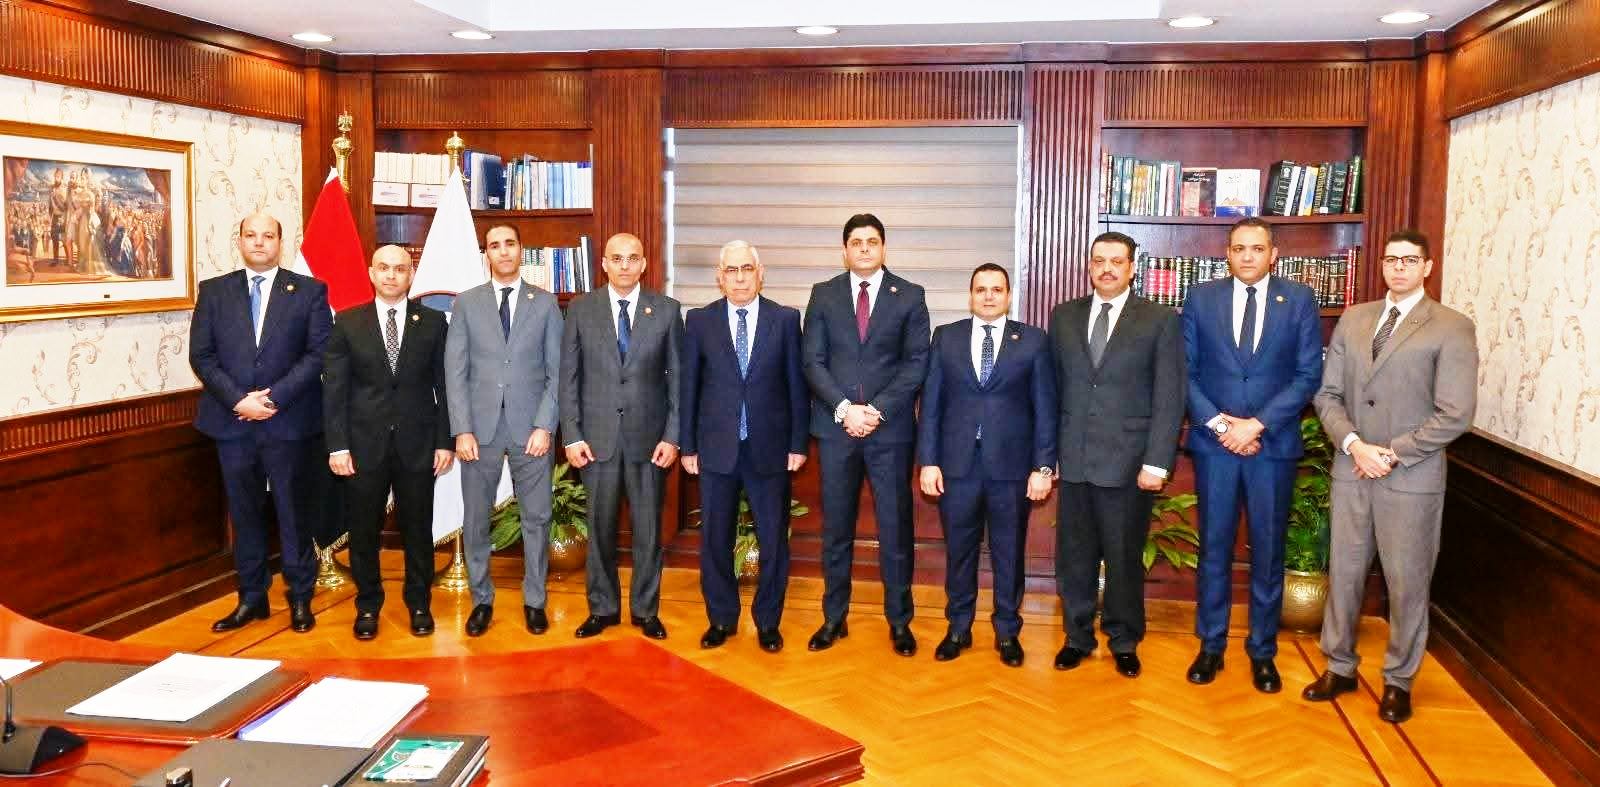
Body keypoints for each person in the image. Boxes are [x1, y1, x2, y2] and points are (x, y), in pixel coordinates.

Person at [1302, 229, 1478, 723]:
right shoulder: (1355, 319)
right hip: (1352, 467)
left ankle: (1399, 680)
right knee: (1344, 575)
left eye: (1409, 260)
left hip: (1412, 476)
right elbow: (1327, 396)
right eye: (1391, 259)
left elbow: (1455, 414)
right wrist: (1354, 445)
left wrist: (1393, 453)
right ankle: (1339, 667)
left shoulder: (1451, 327)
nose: (1399, 268)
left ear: (1427, 267)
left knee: (1407, 583)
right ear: (1381, 265)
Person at [1181, 216, 1323, 692]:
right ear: (1227, 253)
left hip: (1272, 447)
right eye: (1239, 248)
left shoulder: (1298, 299)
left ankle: (1263, 652)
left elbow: (1308, 375)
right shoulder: (1201, 298)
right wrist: (1224, 427)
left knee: (1268, 551)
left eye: (1257, 249)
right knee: (1214, 548)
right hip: (1216, 448)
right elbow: (1185, 372)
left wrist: (1256, 425)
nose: (1247, 256)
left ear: (1273, 254)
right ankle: (1211, 645)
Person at [1048, 232, 1185, 677]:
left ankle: (1124, 640)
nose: (1106, 269)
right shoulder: (1064, 316)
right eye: (1099, 261)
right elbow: (1052, 390)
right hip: (1074, 458)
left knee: (1124, 557)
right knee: (1074, 558)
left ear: (1131, 268)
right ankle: (1077, 637)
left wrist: (1157, 462)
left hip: (1129, 463)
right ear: (1089, 266)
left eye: (1116, 261)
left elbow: (1169, 396)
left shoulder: (1159, 319)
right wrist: (1048, 456)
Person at [189, 211, 330, 634]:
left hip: (288, 422)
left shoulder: (308, 291)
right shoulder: (214, 291)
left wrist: (272, 399)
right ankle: (251, 597)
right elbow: (202, 356)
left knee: (292, 513)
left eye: (268, 236)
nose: (259, 242)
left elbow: (318, 354)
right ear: (240, 241)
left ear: (280, 243)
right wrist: (238, 400)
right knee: (244, 513)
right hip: (231, 423)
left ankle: (300, 597)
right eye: (251, 235)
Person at [802, 213, 930, 656]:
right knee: (836, 529)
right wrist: (844, 410)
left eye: (872, 241)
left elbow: (916, 363)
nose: (863, 249)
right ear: (844, 250)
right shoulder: (823, 294)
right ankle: (833, 618)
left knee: (895, 529)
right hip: (836, 430)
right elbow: (812, 361)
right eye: (855, 242)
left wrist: (875, 411)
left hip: (888, 432)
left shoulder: (909, 295)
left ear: (883, 248)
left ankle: (900, 622)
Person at [917, 263, 1056, 667]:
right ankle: (957, 628)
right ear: (971, 296)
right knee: (959, 551)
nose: (989, 296)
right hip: (956, 467)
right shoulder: (946, 337)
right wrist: (928, 461)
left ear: (1009, 296)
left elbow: (1046, 408)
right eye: (981, 289)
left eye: (997, 289)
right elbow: (931, 405)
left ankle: (1007, 632)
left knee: (1008, 553)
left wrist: (1043, 467)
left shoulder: (1033, 341)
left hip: (1012, 470)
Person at [679, 240, 809, 653]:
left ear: (760, 273)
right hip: (715, 449)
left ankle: (768, 622)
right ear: (720, 277)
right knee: (715, 540)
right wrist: (687, 446)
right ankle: (721, 619)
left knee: (774, 541)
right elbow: (689, 387)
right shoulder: (699, 321)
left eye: (746, 269)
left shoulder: (785, 320)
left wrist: (798, 443)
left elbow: (797, 387)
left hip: (769, 449)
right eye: (731, 270)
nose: (739, 278)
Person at [323, 245, 455, 640]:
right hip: (363, 447)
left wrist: (445, 441)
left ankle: (419, 603)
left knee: (418, 529)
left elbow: (445, 386)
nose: (391, 275)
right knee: (364, 531)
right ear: (371, 273)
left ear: (410, 275)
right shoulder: (348, 322)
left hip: (419, 444)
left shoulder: (433, 322)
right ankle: (368, 605)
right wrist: (338, 446)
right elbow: (335, 391)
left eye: (399, 269)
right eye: (384, 268)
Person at [445, 225, 565, 638]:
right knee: (476, 519)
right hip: (479, 433)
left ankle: (535, 601)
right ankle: (482, 600)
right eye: (494, 246)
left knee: (537, 518)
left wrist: (545, 425)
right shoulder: (467, 303)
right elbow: (455, 373)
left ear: (520, 250)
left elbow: (557, 373)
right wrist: (461, 430)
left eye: (510, 244)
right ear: (487, 255)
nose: (503, 251)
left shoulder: (545, 303)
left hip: (531, 431)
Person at [561, 232, 682, 640]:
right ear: (604, 264)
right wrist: (572, 435)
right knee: (599, 529)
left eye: (633, 258)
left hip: (650, 443)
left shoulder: (666, 311)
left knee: (649, 531)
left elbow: (677, 381)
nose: (625, 265)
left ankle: (646, 611)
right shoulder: (581, 309)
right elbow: (568, 379)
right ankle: (602, 608)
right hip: (595, 441)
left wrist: (672, 437)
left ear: (644, 264)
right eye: (617, 258)